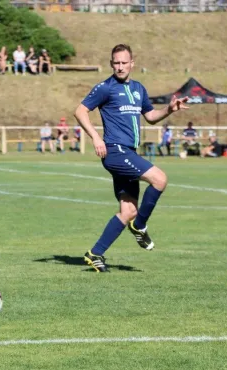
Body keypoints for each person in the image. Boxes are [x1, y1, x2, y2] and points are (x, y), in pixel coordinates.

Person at [73, 44, 189, 273]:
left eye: (124, 62)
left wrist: (169, 109)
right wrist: (96, 138)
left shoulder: (138, 89)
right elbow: (80, 111)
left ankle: (95, 254)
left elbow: (151, 117)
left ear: (132, 63)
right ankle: (140, 226)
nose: (120, 66)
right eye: (116, 62)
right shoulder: (105, 88)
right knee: (160, 180)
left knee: (128, 211)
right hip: (115, 151)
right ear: (111, 64)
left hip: (129, 153)